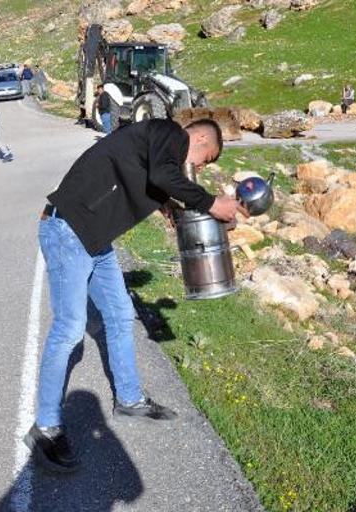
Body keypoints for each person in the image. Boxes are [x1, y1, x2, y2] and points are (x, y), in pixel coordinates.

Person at [23, 118, 247, 473]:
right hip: (67, 230)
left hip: (94, 238)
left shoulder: (158, 146)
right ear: (201, 136)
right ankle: (46, 428)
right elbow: (161, 175)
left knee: (120, 314)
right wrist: (210, 202)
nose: (201, 166)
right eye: (208, 157)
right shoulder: (169, 134)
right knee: (69, 328)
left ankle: (129, 400)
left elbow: (149, 177)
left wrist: (171, 207)